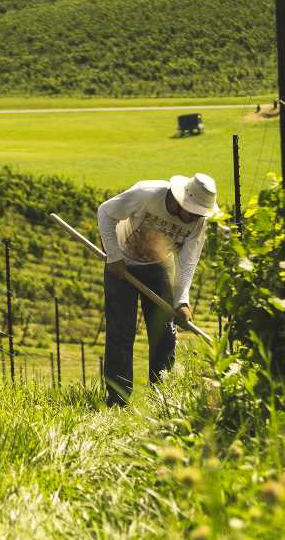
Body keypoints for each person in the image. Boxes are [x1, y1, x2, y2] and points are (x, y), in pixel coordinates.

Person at [97, 173, 219, 407]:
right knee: (121, 333)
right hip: (121, 265)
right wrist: (113, 257)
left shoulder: (199, 220)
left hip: (159, 267)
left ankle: (161, 398)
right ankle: (118, 399)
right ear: (181, 200)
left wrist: (181, 301)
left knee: (164, 333)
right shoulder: (147, 194)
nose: (195, 217)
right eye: (192, 211)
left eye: (199, 213)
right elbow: (106, 212)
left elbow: (188, 260)